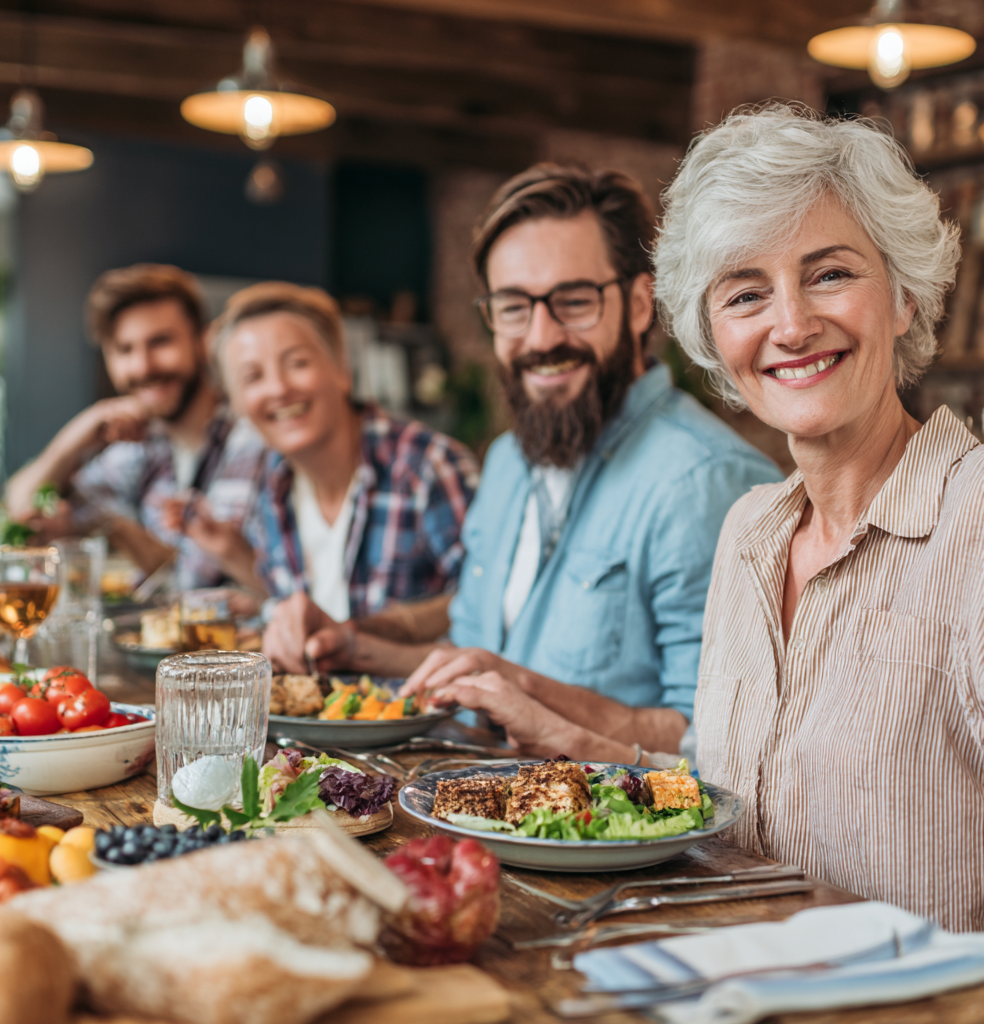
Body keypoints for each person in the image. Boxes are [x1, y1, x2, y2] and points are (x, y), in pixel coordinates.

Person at [264, 164, 781, 756]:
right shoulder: (510, 459)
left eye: (574, 301)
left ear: (640, 305)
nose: (539, 337)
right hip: (472, 809)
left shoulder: (711, 484)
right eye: (513, 307)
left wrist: (529, 692)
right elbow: (480, 669)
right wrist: (352, 646)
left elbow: (718, 740)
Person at [652, 103, 982, 930]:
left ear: (904, 296)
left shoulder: (973, 523)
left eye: (831, 273)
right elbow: (738, 795)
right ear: (713, 337)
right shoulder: (747, 534)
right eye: (746, 293)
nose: (792, 325)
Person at [188, 282, 479, 623]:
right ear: (236, 404)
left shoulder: (428, 467)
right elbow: (307, 611)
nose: (279, 389)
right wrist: (256, 593)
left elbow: (490, 606)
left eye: (297, 363)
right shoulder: (270, 483)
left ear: (342, 368)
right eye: (253, 377)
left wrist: (375, 636)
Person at [6, 264, 266, 591]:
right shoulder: (140, 450)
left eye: (160, 342)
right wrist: (81, 433)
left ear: (203, 342)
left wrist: (120, 530)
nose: (143, 366)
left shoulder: (255, 441)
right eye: (125, 349)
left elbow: (206, 580)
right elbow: (22, 508)